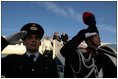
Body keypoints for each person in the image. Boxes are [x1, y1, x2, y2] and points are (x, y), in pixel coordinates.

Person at [60, 12, 117, 78]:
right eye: (95, 35)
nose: (99, 37)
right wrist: (81, 36)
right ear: (87, 39)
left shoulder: (104, 56)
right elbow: (64, 51)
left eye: (98, 35)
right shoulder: (78, 55)